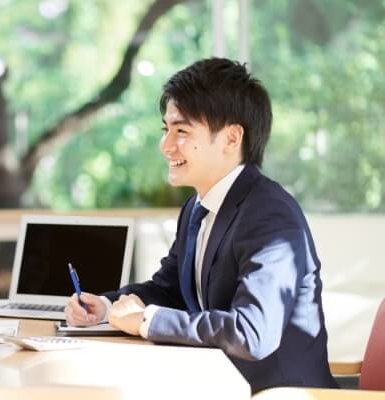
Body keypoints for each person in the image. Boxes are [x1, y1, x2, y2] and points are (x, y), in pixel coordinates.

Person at [64, 58, 337, 392]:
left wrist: (149, 321)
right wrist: (105, 307)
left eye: (182, 131)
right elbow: (170, 290)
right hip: (215, 384)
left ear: (231, 138)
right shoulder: (197, 207)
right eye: (166, 129)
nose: (165, 145)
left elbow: (253, 333)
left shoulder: (269, 215)